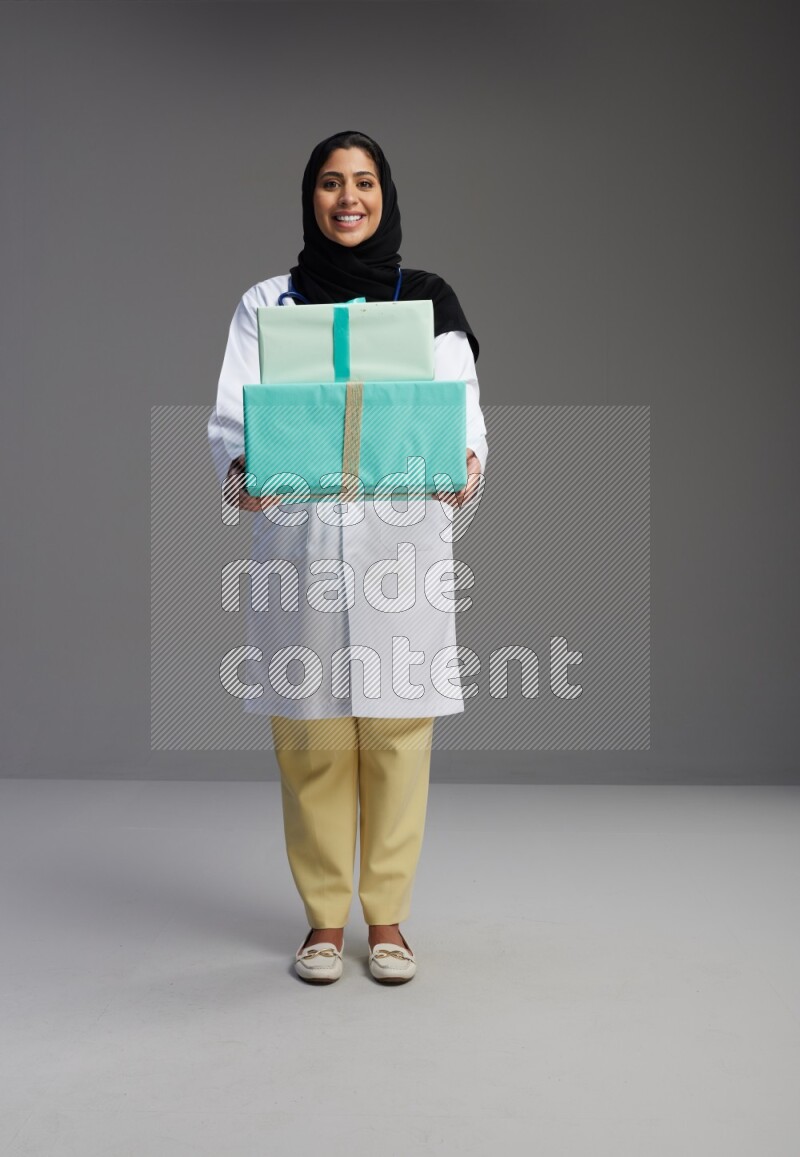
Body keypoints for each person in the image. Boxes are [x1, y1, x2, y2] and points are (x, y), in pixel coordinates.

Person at [208, 130, 488, 984]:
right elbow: (233, 417)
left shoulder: (427, 300)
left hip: (400, 541)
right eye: (331, 183)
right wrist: (242, 472)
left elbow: (463, 411)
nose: (348, 198)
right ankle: (324, 921)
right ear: (311, 198)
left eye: (363, 182)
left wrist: (466, 464)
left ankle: (389, 919)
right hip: (301, 540)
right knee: (313, 737)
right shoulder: (269, 303)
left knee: (398, 735)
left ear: (385, 195)